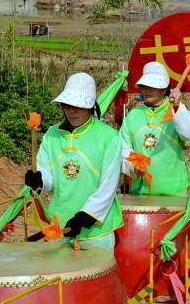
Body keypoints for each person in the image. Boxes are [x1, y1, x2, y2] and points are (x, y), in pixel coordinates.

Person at [25, 73, 123, 253]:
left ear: (91, 106)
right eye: (67, 105)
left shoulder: (109, 137)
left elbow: (108, 185)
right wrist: (39, 181)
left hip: (96, 229)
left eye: (78, 106)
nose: (71, 111)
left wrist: (85, 217)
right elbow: (48, 176)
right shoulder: (52, 134)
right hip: (59, 225)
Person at [120, 61, 190, 196]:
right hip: (141, 190)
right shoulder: (133, 115)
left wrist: (177, 107)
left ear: (164, 89)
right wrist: (133, 167)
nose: (147, 90)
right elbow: (123, 146)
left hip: (174, 190)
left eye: (153, 86)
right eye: (144, 86)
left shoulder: (177, 111)